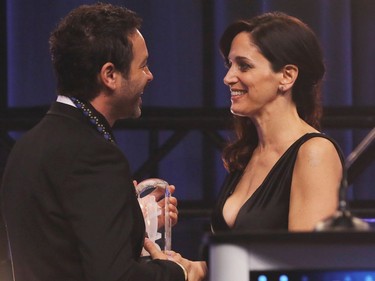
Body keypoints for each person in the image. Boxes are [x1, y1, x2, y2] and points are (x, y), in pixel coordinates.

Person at [1, 3, 204, 281]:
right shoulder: (93, 154)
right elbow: (115, 276)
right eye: (143, 65)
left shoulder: (29, 145)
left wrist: (134, 218)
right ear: (110, 75)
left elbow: (63, 241)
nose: (150, 75)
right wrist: (177, 271)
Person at [210, 12, 345, 233]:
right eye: (229, 65)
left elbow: (305, 260)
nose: (228, 78)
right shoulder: (248, 154)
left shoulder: (315, 153)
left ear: (286, 76)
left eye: (244, 66)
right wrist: (191, 267)